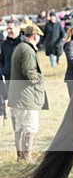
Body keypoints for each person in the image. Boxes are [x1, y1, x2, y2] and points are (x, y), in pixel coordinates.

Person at [8, 24, 48, 162]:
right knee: (30, 127)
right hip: (26, 96)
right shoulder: (27, 50)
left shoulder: (20, 47)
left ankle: (21, 157)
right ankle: (27, 157)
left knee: (20, 127)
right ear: (35, 36)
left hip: (19, 95)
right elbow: (29, 73)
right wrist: (40, 79)